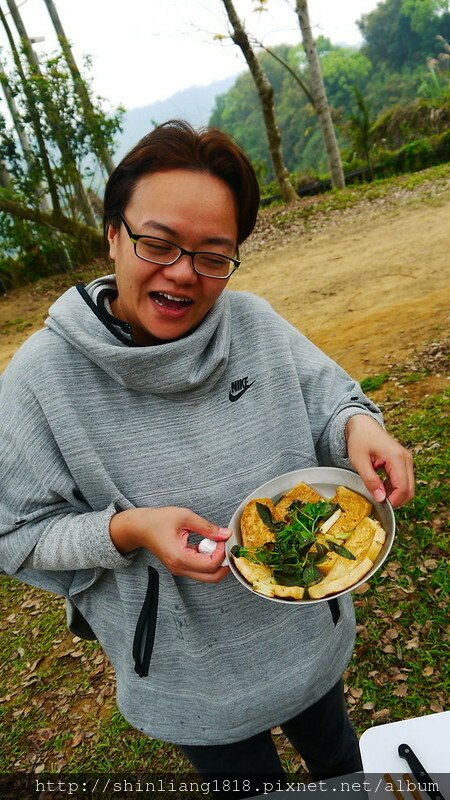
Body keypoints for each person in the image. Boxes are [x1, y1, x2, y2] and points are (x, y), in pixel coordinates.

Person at [0, 120, 414, 797]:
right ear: (112, 233)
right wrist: (125, 530)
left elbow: (331, 400)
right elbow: (12, 530)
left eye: (213, 255)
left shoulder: (253, 324)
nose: (183, 274)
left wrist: (358, 428)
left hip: (304, 633)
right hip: (189, 676)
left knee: (341, 764)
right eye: (157, 243)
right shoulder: (42, 380)